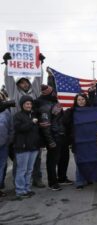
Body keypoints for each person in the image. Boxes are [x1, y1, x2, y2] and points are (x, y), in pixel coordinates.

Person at [3, 52, 46, 188]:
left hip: (33, 127)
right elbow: (8, 78)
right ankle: (19, 183)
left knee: (36, 155)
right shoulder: (14, 92)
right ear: (18, 84)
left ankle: (36, 178)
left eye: (26, 82)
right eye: (21, 82)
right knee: (19, 158)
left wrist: (40, 64)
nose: (24, 84)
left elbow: (38, 79)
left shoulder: (34, 92)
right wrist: (7, 64)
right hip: (19, 128)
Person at [36, 84, 65, 191]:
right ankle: (52, 183)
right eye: (53, 92)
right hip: (53, 137)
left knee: (57, 159)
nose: (55, 93)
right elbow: (45, 126)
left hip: (58, 134)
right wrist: (50, 141)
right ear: (48, 93)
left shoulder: (53, 102)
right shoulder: (44, 106)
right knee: (52, 161)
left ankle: (58, 180)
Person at [13, 96, 40, 199]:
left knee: (29, 170)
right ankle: (20, 190)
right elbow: (19, 128)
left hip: (33, 147)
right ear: (22, 105)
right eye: (26, 104)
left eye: (30, 104)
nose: (29, 105)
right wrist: (31, 122)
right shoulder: (17, 116)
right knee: (22, 170)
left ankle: (27, 189)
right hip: (22, 147)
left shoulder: (33, 115)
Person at [63, 93, 91, 190]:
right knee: (79, 162)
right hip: (77, 141)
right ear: (75, 101)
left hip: (88, 141)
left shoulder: (90, 111)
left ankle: (87, 179)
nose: (81, 101)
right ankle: (79, 181)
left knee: (88, 162)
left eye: (83, 99)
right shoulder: (71, 112)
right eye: (79, 100)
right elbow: (65, 124)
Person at [0, 92, 13, 197]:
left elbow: (11, 128)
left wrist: (8, 141)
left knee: (2, 166)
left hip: (4, 144)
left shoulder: (6, 111)